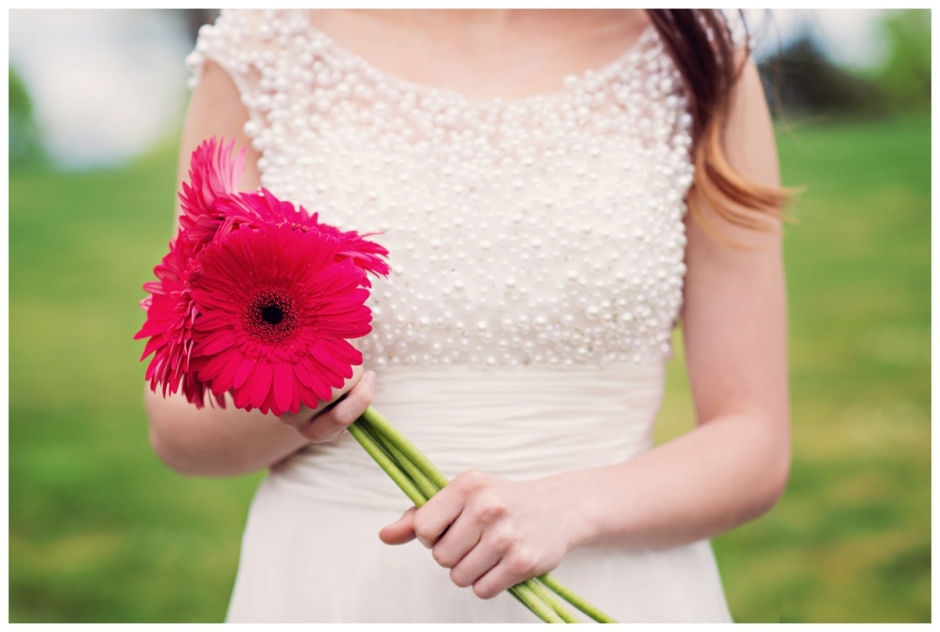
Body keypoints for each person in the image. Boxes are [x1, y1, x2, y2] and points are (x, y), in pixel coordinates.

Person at [145, 9, 790, 623]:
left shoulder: (697, 59)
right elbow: (181, 430)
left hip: (610, 573)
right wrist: (290, 396)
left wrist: (570, 508)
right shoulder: (264, 51)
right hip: (338, 584)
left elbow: (753, 440)